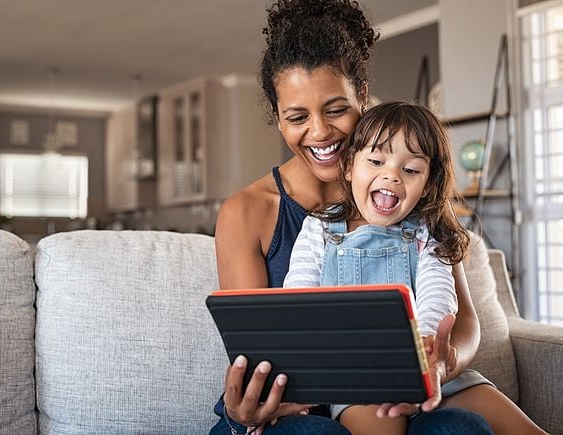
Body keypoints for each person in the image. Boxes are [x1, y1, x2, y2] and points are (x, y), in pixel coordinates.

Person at [210, 1, 494, 434]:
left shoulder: (400, 194)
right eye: (297, 117)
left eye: (336, 109)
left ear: (363, 95)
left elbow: (464, 320)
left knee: (459, 427)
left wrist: (440, 365)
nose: (320, 132)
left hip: (410, 383)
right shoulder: (248, 211)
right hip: (299, 403)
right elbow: (260, 346)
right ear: (278, 120)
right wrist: (245, 408)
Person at [284, 101, 547, 435]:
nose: (392, 174)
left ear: (426, 183)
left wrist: (425, 352)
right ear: (349, 166)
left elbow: (439, 290)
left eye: (410, 169)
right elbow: (298, 299)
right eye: (376, 161)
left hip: (432, 371)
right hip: (361, 381)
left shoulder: (428, 231)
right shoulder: (319, 228)